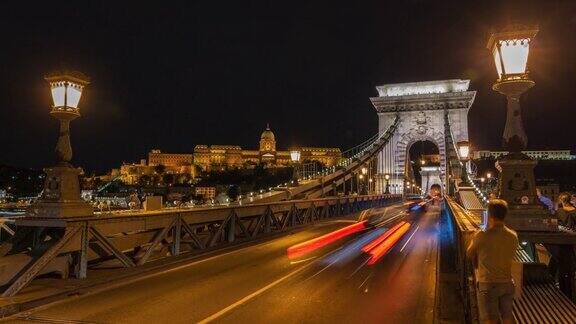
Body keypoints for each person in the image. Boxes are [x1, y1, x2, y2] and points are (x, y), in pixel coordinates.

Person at [467, 199, 518, 324]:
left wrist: (473, 238)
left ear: (489, 215)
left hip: (488, 284)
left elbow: (469, 253)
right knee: (507, 318)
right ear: (505, 215)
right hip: (507, 283)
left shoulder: (482, 236)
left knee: (489, 320)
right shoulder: (513, 236)